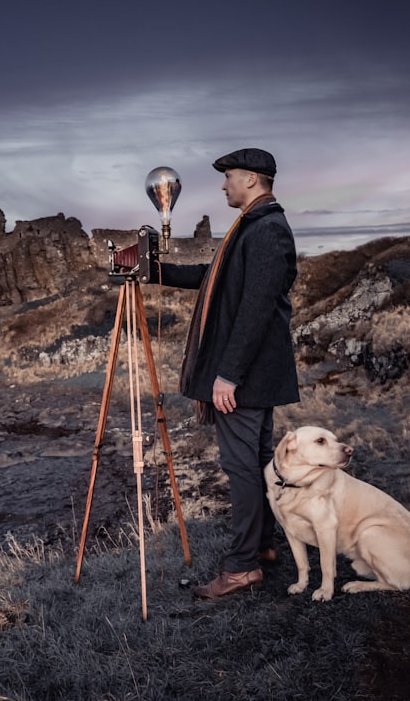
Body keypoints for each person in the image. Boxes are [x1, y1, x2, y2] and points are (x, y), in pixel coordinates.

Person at [153, 147, 300, 599]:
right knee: (255, 464)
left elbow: (254, 310)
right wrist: (155, 271)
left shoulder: (268, 230)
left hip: (248, 378)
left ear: (252, 180)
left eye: (229, 177)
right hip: (253, 376)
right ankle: (263, 550)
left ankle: (241, 568)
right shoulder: (252, 227)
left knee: (242, 468)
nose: (223, 185)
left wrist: (228, 375)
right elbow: (215, 274)